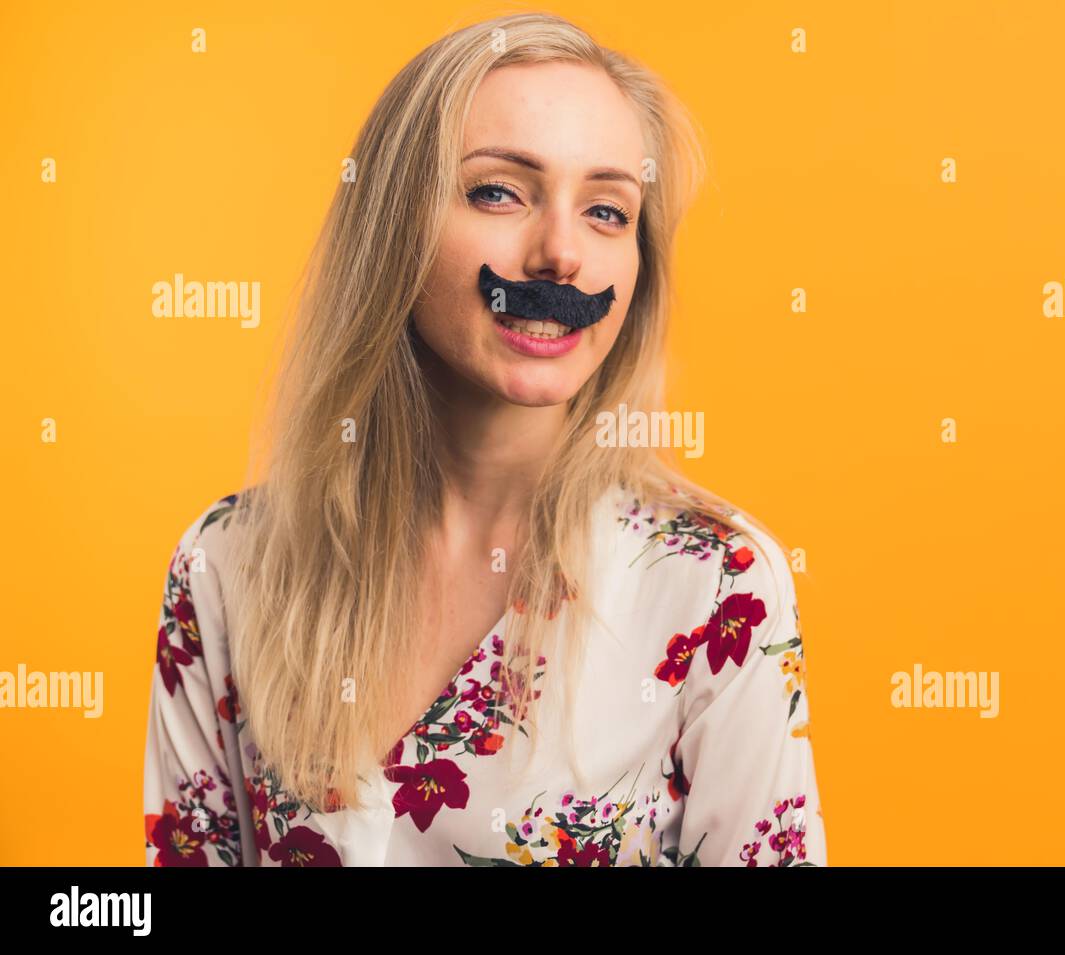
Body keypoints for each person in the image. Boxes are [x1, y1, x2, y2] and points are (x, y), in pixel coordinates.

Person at [144, 10, 827, 867]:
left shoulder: (716, 589)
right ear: (394, 225)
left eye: (608, 210)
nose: (560, 254)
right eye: (499, 191)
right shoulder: (226, 567)